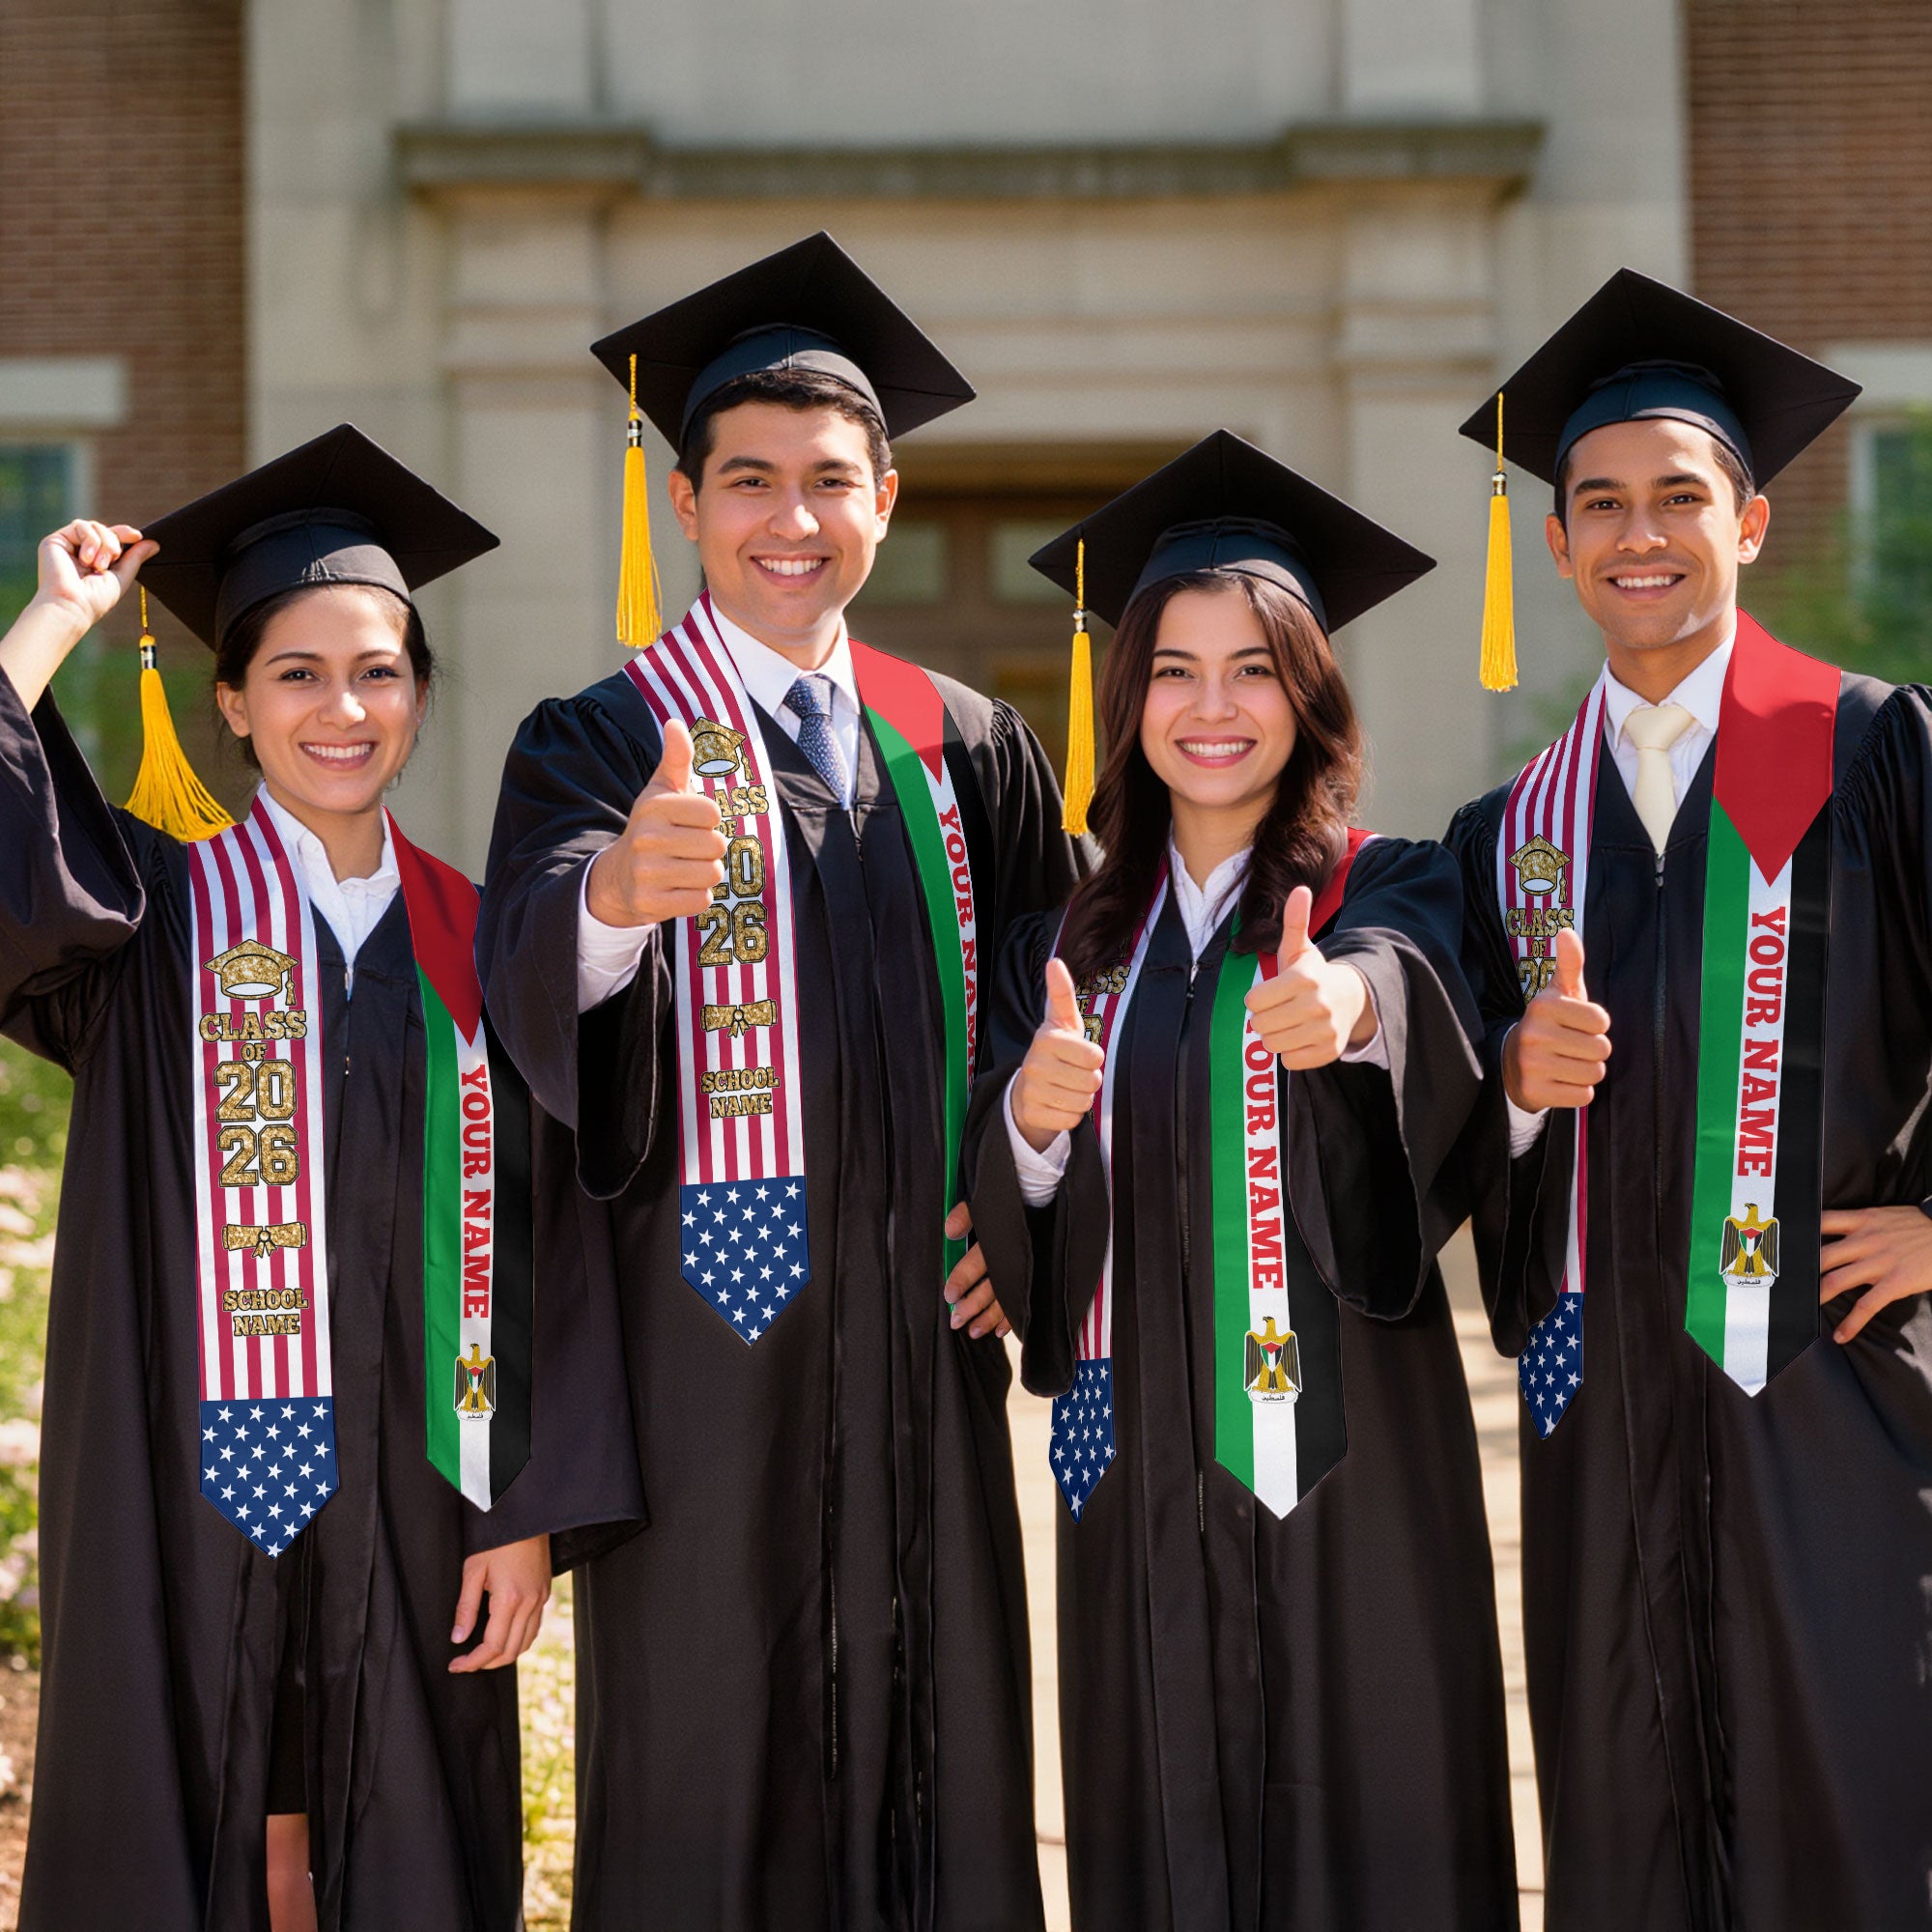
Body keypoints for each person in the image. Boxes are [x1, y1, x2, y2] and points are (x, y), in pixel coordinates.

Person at [478, 233, 1084, 1930]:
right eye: (748, 481)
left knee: (941, 1748)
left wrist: (1020, 1207)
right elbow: (529, 971)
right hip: (703, 1367)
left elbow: (1061, 1002)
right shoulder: (601, 739)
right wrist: (612, 900)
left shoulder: (965, 743)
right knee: (710, 1762)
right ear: (685, 504)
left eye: (829, 480)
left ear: (886, 498)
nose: (790, 518)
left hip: (924, 1356)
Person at [0, 425, 639, 1932]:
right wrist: (51, 624)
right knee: (183, 1803)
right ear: (231, 701)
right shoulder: (147, 919)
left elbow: (554, 1244)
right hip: (178, 1481)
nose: (341, 709)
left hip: (424, 1492)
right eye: (296, 674)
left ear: (418, 695)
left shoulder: (487, 941)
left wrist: (524, 1507)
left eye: (378, 673)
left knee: (407, 1832)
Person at [963, 431, 1519, 1931]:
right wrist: (1029, 1123)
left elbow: (1409, 986)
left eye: (1255, 670)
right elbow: (1011, 1203)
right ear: (1126, 698)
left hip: (1348, 1461)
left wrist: (1350, 1009)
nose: (1213, 708)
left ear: (1310, 693)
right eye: (1175, 671)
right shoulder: (1066, 945)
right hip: (1132, 1462)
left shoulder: (1387, 883)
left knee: (1373, 1824)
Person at [1446, 270, 1932, 1931]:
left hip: (1833, 1391)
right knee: (1626, 1823)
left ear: (1753, 523)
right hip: (1602, 1420)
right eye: (1599, 504)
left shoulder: (1873, 755)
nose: (1637, 534)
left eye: (1678, 497)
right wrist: (1513, 1091)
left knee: (1853, 1814)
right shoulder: (1511, 833)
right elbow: (1446, 1135)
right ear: (1557, 543)